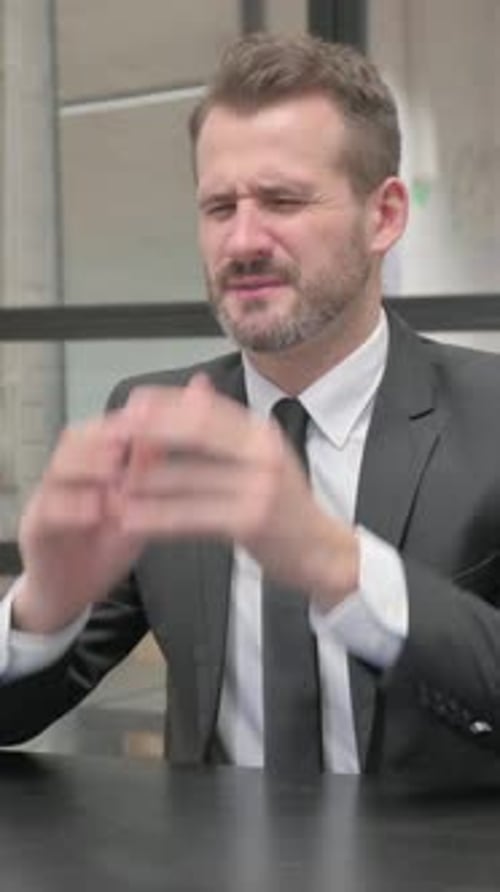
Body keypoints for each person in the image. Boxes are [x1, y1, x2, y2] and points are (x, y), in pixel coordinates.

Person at [1, 31, 500, 779]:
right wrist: (45, 604)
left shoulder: (489, 415)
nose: (241, 240)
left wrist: (335, 561)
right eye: (218, 206)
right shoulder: (153, 417)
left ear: (385, 215)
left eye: (282, 200)